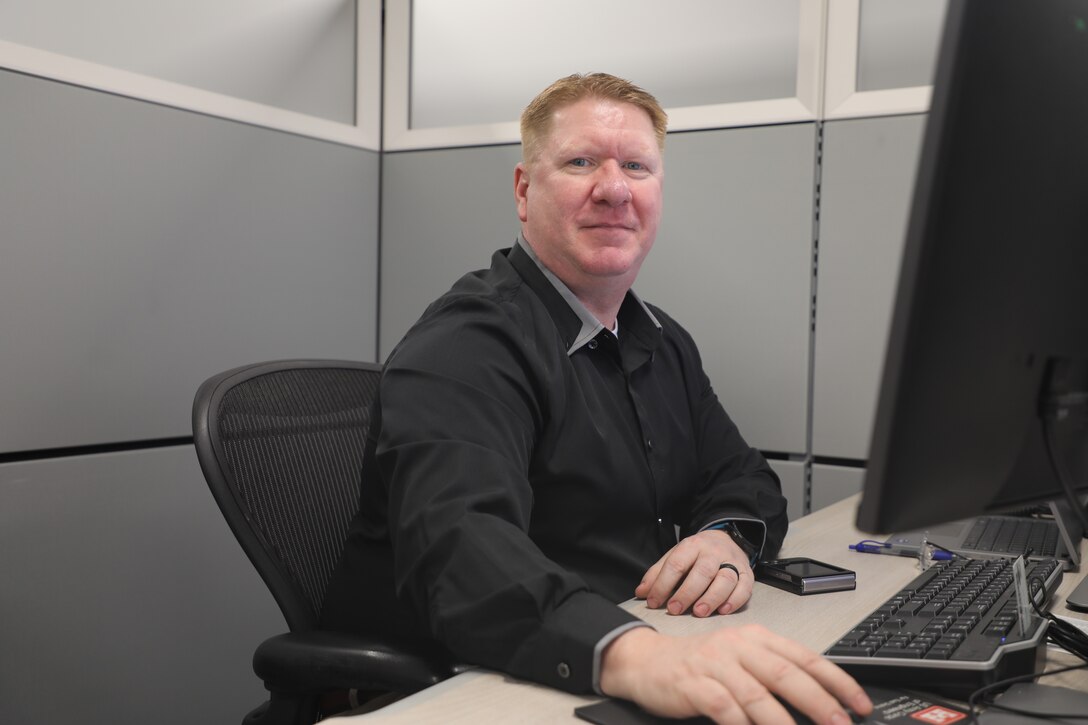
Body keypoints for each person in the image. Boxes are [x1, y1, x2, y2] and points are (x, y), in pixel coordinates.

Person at [321, 72, 873, 723]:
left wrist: (726, 538)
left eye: (636, 166)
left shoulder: (661, 342)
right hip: (466, 685)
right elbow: (463, 549)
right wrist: (640, 655)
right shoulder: (464, 346)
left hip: (615, 654)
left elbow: (741, 473)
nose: (613, 188)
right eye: (581, 162)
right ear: (525, 190)